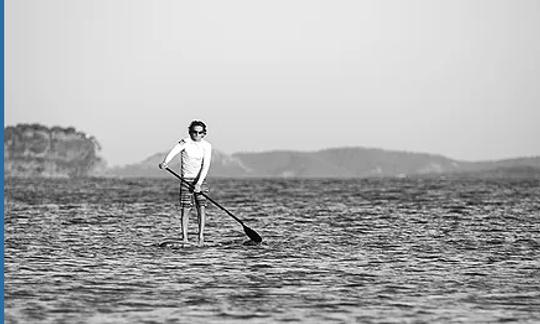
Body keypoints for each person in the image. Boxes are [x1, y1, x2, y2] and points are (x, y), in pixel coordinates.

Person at [159, 120, 212, 246]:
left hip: (200, 179)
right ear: (190, 132)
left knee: (201, 207)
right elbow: (174, 151)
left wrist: (198, 184)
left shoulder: (207, 146)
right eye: (194, 132)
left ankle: (200, 237)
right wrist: (165, 162)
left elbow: (206, 166)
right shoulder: (185, 142)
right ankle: (185, 238)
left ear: (204, 134)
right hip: (186, 180)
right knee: (185, 209)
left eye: (200, 133)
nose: (196, 135)